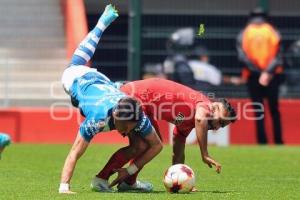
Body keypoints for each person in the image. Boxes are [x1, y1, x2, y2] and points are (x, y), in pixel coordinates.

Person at [59, 5, 162, 194]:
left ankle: (110, 181)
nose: (126, 131)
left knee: (139, 144)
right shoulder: (96, 119)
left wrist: (130, 170)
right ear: (115, 114)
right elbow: (75, 151)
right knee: (75, 65)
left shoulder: (136, 115)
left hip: (105, 83)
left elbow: (157, 145)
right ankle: (101, 24)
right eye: (124, 126)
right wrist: (64, 187)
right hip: (76, 80)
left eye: (130, 127)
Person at [92, 78, 237, 192]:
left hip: (142, 103)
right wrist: (204, 154)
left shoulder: (187, 119)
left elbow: (178, 140)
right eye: (220, 121)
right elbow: (201, 119)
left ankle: (126, 181)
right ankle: (103, 179)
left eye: (223, 125)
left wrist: (181, 177)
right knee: (147, 145)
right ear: (215, 106)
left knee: (151, 144)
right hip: (136, 98)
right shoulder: (204, 105)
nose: (218, 127)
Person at [237, 7, 284, 144]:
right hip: (272, 76)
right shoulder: (272, 31)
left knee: (259, 110)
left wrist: (258, 72)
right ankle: (278, 141)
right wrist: (267, 72)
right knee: (274, 110)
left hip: (253, 76)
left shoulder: (244, 33)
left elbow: (242, 57)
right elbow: (278, 56)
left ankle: (262, 142)